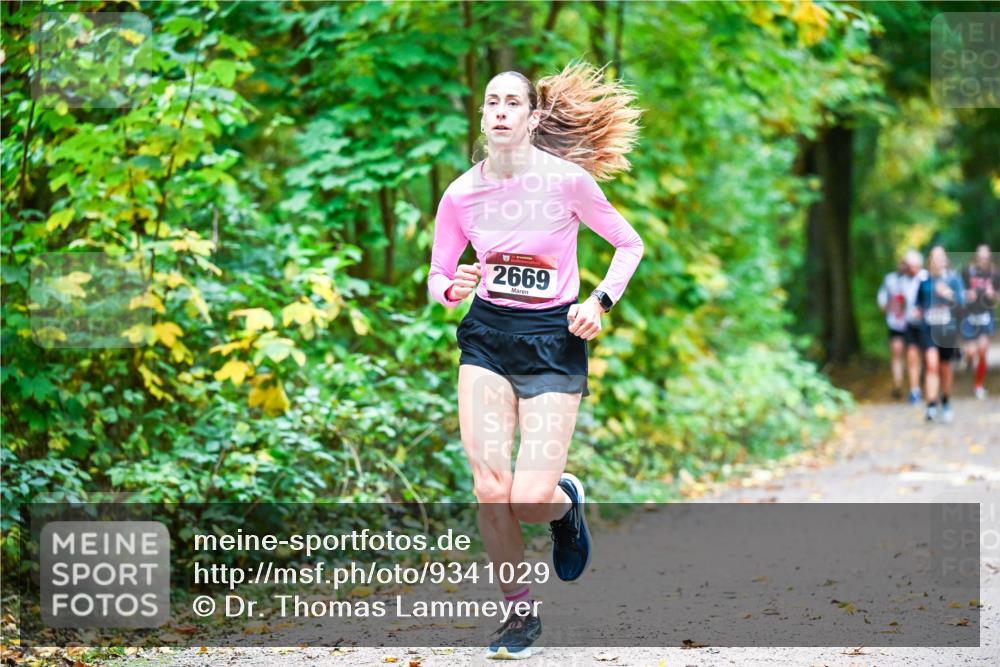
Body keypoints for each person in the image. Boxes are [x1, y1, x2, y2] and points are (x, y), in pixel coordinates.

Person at [427, 63, 643, 659]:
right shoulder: (461, 193)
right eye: (491, 101)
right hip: (488, 337)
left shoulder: (568, 182)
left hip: (552, 339)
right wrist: (454, 286)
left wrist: (598, 302)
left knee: (527, 498)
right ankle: (519, 615)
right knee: (489, 488)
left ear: (532, 116)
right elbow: (438, 274)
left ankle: (564, 503)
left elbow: (629, 244)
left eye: (511, 102)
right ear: (482, 116)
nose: (499, 110)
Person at [915, 246, 965, 423]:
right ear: (930, 262)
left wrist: (947, 293)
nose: (937, 261)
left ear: (945, 261)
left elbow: (961, 303)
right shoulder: (924, 281)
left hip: (947, 330)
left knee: (945, 368)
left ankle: (946, 401)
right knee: (931, 365)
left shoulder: (954, 280)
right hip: (928, 329)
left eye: (940, 258)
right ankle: (931, 404)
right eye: (934, 258)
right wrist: (917, 311)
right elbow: (918, 304)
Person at [877, 251, 925, 400]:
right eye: (904, 264)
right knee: (900, 352)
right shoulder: (892, 280)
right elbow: (883, 301)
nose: (905, 267)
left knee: (915, 355)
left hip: (916, 323)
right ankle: (899, 385)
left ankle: (918, 379)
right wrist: (888, 306)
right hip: (897, 323)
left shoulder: (923, 278)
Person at [960, 244, 998, 399]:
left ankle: (978, 385)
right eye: (980, 257)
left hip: (985, 315)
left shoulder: (994, 275)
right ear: (975, 257)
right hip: (969, 316)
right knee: (971, 351)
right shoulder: (966, 272)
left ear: (990, 258)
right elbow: (957, 291)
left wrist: (992, 295)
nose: (983, 260)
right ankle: (968, 359)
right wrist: (966, 294)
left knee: (982, 350)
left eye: (986, 258)